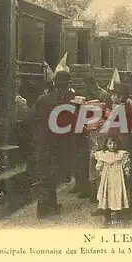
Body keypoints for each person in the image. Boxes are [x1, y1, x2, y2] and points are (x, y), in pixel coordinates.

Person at [33, 71, 77, 219]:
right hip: (58, 145)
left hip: (42, 142)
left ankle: (52, 205)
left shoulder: (42, 99)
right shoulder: (68, 102)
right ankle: (42, 209)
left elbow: (34, 119)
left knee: (46, 175)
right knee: (51, 177)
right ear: (68, 85)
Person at [93, 135, 132, 226]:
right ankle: (107, 218)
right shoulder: (103, 154)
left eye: (115, 143)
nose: (112, 145)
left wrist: (127, 173)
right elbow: (99, 167)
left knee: (118, 196)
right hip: (107, 179)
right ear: (106, 144)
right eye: (110, 143)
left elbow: (127, 166)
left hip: (118, 178)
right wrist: (99, 165)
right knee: (107, 196)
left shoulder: (121, 154)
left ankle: (118, 216)